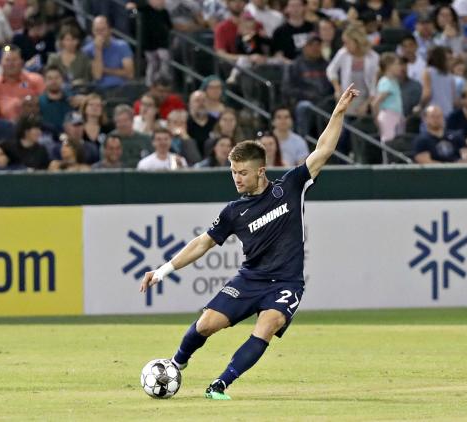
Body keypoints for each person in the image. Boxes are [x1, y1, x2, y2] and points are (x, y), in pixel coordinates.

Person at [139, 84, 360, 400]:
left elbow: (323, 150)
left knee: (267, 325)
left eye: (243, 172)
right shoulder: (233, 211)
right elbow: (202, 243)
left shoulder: (291, 187)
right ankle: (176, 363)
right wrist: (161, 272)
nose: (237, 178)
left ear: (261, 171)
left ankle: (221, 384)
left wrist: (338, 112)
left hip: (286, 282)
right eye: (233, 172)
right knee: (206, 325)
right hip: (250, 278)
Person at [283, 33, 333, 138]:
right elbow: (287, 89)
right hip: (305, 102)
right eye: (312, 45)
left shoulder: (327, 65)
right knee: (304, 107)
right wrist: (308, 95)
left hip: (325, 102)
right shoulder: (295, 65)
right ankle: (303, 142)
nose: (315, 48)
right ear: (304, 47)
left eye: (318, 45)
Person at [326, 24, 378, 117]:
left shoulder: (373, 57)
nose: (345, 46)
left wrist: (366, 104)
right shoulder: (343, 53)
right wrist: (337, 88)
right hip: (346, 97)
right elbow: (331, 70)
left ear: (357, 42)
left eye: (347, 43)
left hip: (366, 98)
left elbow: (374, 85)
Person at [0, 44, 45, 121]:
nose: (11, 64)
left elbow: (45, 105)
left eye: (14, 60)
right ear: (1, 63)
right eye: (7, 60)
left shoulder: (36, 80)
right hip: (2, 126)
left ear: (22, 62)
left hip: (32, 124)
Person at [83, 15, 134, 89]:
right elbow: (97, 76)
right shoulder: (87, 50)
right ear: (92, 31)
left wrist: (104, 70)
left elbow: (130, 74)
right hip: (97, 90)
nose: (100, 34)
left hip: (120, 88)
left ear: (110, 30)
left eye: (103, 30)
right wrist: (98, 50)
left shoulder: (122, 45)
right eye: (97, 30)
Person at [372, 52, 403, 142]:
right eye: (397, 64)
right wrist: (377, 119)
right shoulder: (386, 82)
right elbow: (375, 103)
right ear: (389, 66)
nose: (400, 67)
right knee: (389, 144)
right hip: (388, 116)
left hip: (396, 116)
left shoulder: (393, 81)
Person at [419, 46, 456, 117]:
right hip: (448, 112)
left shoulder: (428, 72)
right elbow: (454, 100)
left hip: (433, 114)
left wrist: (419, 106)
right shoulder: (450, 76)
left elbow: (427, 95)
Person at [187, 90, 218, 154]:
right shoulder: (185, 122)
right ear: (190, 104)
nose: (201, 103)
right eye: (197, 100)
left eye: (204, 100)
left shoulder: (216, 121)